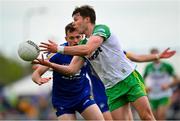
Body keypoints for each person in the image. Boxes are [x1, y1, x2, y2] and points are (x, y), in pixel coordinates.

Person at [34, 5, 163, 120]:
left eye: (76, 20)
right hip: (112, 88)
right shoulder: (82, 45)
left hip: (128, 78)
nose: (74, 24)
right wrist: (50, 65)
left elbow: (88, 49)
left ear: (87, 19)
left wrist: (58, 49)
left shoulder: (102, 29)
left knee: (146, 117)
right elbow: (72, 69)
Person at [32, 23, 104, 121]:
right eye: (71, 38)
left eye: (78, 37)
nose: (75, 41)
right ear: (66, 39)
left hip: (83, 96)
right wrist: (38, 79)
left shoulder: (86, 50)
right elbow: (36, 74)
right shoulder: (56, 54)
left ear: (82, 36)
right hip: (62, 101)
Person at [143, 48, 179, 120]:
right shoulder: (148, 67)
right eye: (152, 55)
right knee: (154, 117)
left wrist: (168, 85)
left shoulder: (167, 66)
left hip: (164, 94)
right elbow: (142, 79)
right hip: (153, 95)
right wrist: (145, 87)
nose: (155, 57)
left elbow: (177, 79)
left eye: (156, 55)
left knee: (161, 115)